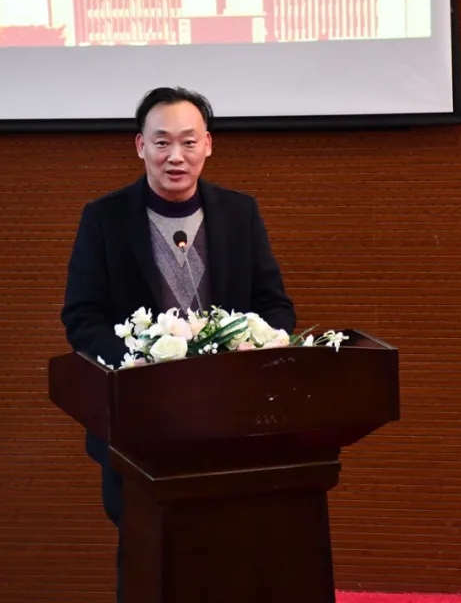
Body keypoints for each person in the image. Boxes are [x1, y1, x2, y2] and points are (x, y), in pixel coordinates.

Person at [59, 86, 296, 600]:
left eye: (188, 142)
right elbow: (82, 318)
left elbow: (275, 306)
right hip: (138, 429)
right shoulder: (104, 218)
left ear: (207, 144)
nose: (176, 156)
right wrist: (141, 360)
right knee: (150, 558)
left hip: (230, 426)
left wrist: (253, 348)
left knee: (232, 556)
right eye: (162, 141)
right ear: (139, 146)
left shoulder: (239, 213)